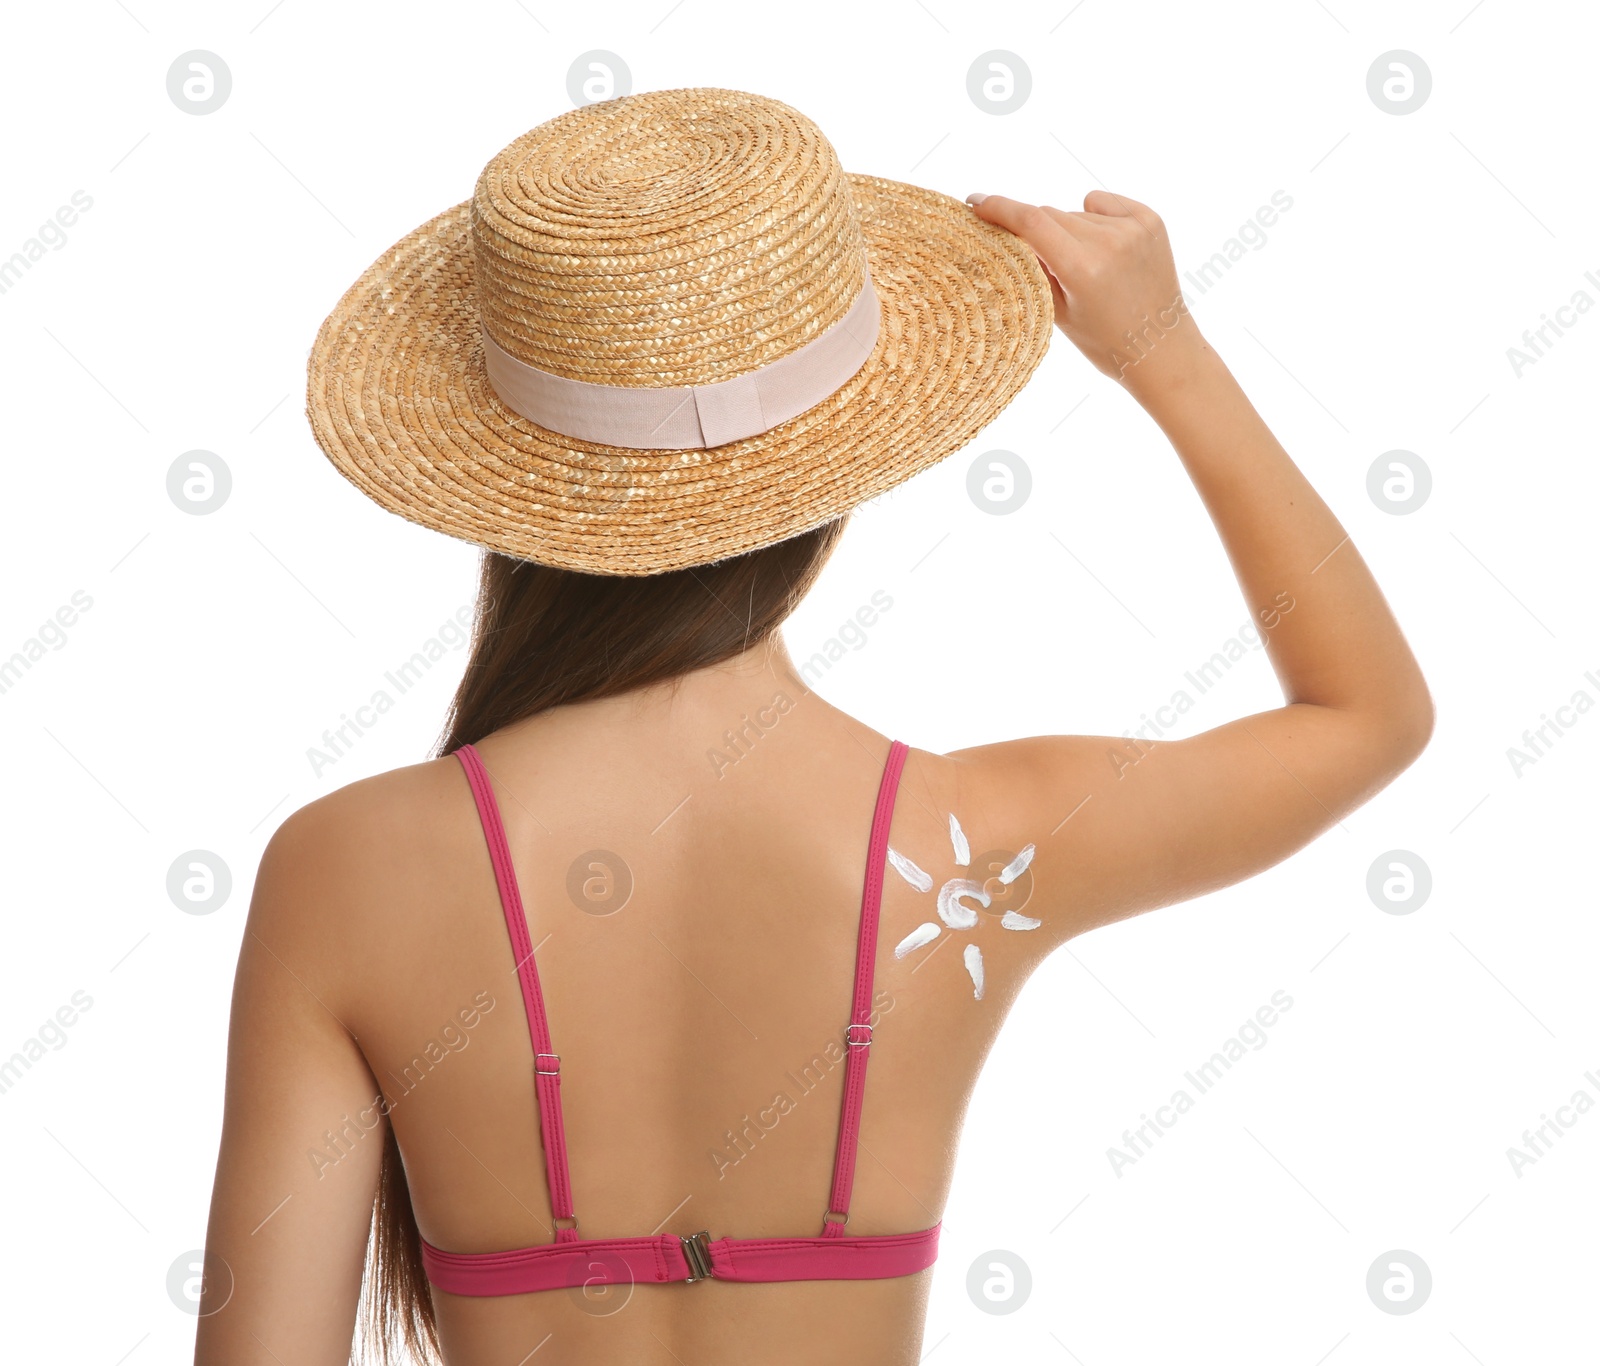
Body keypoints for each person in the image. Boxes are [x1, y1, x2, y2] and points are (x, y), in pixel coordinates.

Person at [195, 90, 1432, 1366]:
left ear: (513, 481)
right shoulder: (977, 843)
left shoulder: (342, 869)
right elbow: (1368, 714)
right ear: (833, 474)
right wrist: (1166, 352)